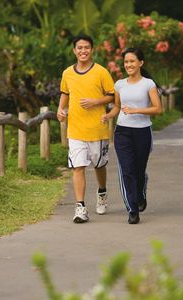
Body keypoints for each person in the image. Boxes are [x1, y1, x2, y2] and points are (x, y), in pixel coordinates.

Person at [57, 34, 114, 223]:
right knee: (78, 167)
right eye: (79, 48)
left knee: (99, 165)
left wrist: (96, 101)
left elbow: (113, 96)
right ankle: (80, 207)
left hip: (97, 128)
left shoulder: (101, 72)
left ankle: (102, 191)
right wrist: (60, 109)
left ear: (92, 50)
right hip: (75, 129)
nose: (83, 51)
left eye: (86, 47)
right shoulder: (67, 73)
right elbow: (65, 93)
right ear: (74, 50)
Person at [102, 47, 162, 224]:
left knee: (138, 170)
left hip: (143, 132)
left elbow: (158, 109)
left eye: (132, 61)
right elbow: (118, 107)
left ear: (140, 63)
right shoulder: (120, 84)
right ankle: (132, 209)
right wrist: (108, 115)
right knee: (127, 170)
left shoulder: (148, 84)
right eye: (126, 61)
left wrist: (137, 110)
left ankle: (141, 191)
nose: (128, 64)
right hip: (122, 132)